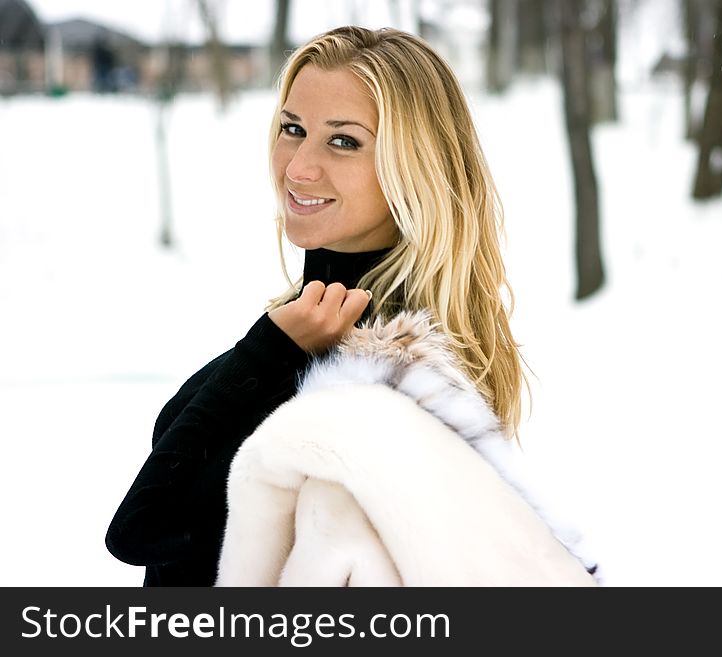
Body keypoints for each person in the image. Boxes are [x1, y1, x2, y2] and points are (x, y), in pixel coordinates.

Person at [105, 25, 529, 586]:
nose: (299, 166)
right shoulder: (315, 327)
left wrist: (267, 352)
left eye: (344, 140)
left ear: (416, 167)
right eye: (292, 128)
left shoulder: (380, 375)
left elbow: (143, 528)